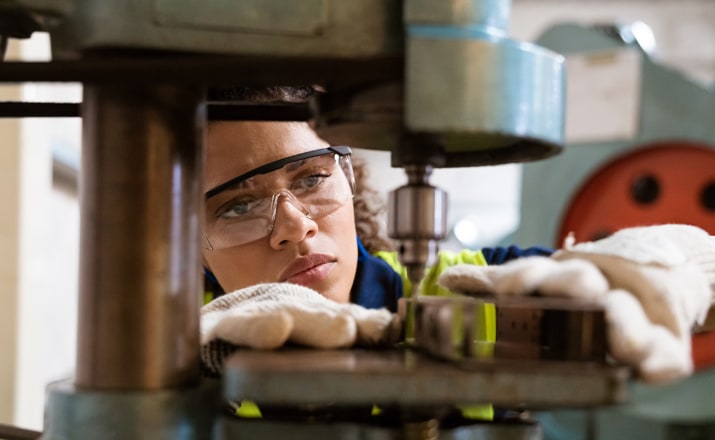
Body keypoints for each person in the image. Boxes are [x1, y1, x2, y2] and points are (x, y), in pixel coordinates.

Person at [199, 86, 715, 421]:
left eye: (311, 178)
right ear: (184, 244)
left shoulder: (468, 292)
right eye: (237, 207)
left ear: (349, 178)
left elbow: (616, 275)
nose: (294, 226)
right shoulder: (163, 353)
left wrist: (671, 263)